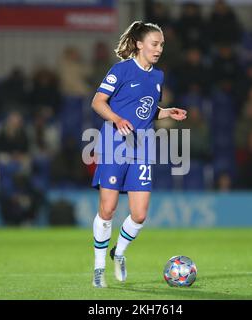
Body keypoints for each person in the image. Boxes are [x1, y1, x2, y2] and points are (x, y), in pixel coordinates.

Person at [90, 21, 187, 288]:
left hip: (142, 147)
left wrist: (165, 112)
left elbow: (146, 108)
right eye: (155, 44)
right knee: (108, 209)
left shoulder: (158, 76)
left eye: (162, 45)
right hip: (114, 144)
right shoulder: (120, 70)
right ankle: (99, 269)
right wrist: (117, 119)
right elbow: (98, 102)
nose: (159, 49)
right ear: (139, 44)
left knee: (140, 214)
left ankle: (118, 253)